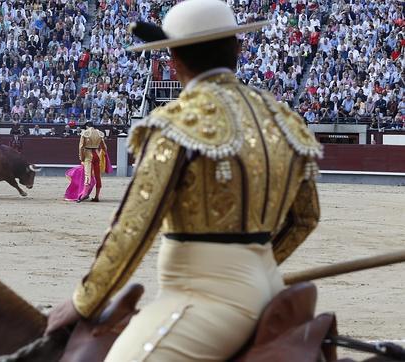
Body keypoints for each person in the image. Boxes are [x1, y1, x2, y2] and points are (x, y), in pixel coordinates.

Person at [46, 1, 323, 361]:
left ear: (173, 59)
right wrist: (256, 265)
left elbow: (134, 229)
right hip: (268, 287)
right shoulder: (284, 119)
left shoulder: (178, 123)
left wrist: (85, 301)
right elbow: (306, 218)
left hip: (207, 302)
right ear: (237, 49)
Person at [74, 121, 108, 202]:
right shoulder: (100, 133)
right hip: (97, 155)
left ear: (87, 127)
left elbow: (81, 147)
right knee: (97, 176)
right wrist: (102, 154)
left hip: (88, 155)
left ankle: (84, 195)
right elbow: (104, 147)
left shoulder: (85, 133)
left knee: (87, 175)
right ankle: (96, 196)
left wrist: (81, 157)